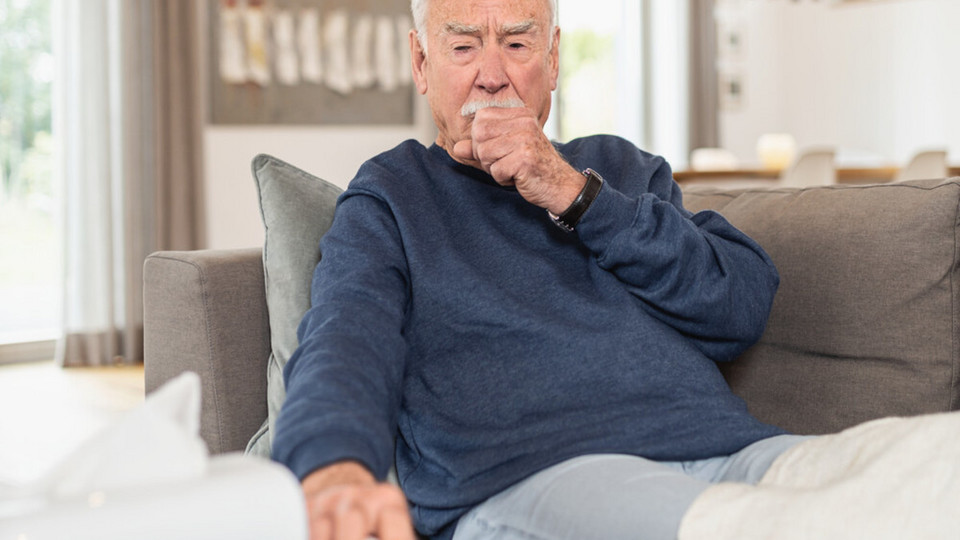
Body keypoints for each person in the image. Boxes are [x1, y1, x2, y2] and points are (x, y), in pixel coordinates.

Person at [271, 0, 808, 539]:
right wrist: (333, 464)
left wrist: (575, 194)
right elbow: (347, 338)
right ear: (420, 62)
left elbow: (739, 306)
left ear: (552, 60)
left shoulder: (621, 169)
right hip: (539, 479)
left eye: (517, 44)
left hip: (732, 455)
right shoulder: (393, 195)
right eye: (462, 47)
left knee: (889, 475)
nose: (491, 76)